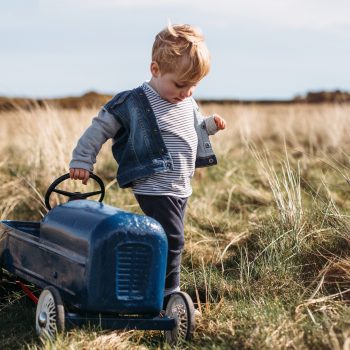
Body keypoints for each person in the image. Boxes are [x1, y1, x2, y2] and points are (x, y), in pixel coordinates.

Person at [69, 23, 226, 307]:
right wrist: (82, 160)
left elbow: (190, 130)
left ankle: (146, 281)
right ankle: (167, 295)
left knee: (166, 237)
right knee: (173, 239)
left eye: (194, 86)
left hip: (180, 185)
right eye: (180, 85)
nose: (187, 92)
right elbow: (99, 128)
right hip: (154, 183)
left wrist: (209, 126)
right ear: (155, 69)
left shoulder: (186, 102)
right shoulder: (133, 102)